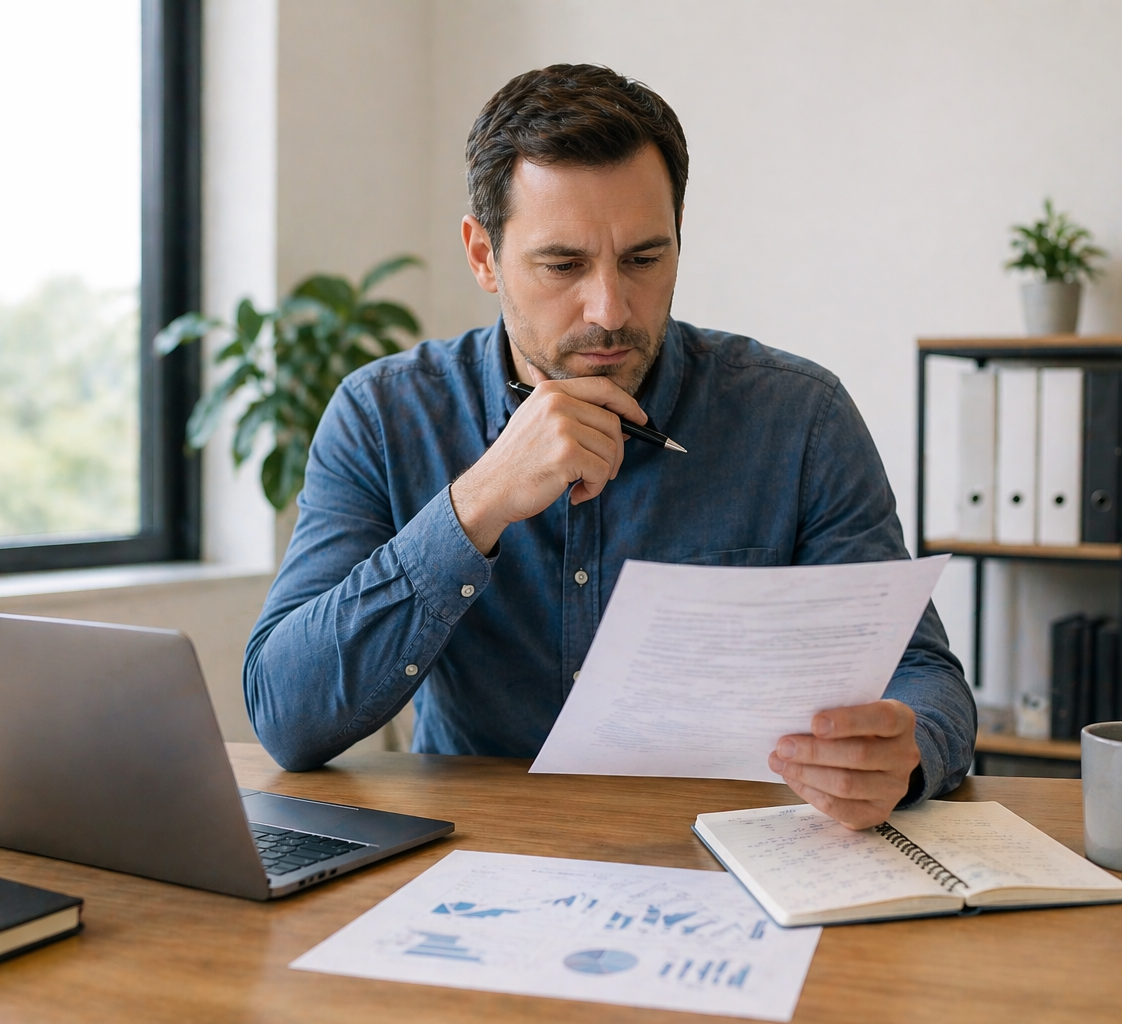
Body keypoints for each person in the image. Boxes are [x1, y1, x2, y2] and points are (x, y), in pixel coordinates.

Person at [245, 64, 974, 830]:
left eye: (643, 259)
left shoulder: (800, 418)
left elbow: (923, 676)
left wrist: (907, 749)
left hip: (731, 860)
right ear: (483, 255)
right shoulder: (383, 415)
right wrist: (478, 502)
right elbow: (286, 719)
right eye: (563, 265)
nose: (610, 309)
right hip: (476, 863)